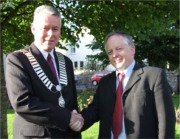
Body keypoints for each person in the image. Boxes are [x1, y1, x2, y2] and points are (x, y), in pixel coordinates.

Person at [73, 31, 176, 138]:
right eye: (110, 52)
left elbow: (166, 121)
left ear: (132, 50)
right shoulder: (105, 82)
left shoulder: (153, 76)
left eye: (119, 49)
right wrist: (74, 120)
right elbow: (94, 111)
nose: (114, 55)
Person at [6, 5, 83, 139]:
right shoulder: (18, 60)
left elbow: (71, 103)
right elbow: (23, 102)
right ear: (33, 29)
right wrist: (66, 117)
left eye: (55, 29)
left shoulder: (66, 62)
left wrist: (76, 125)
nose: (50, 34)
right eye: (45, 28)